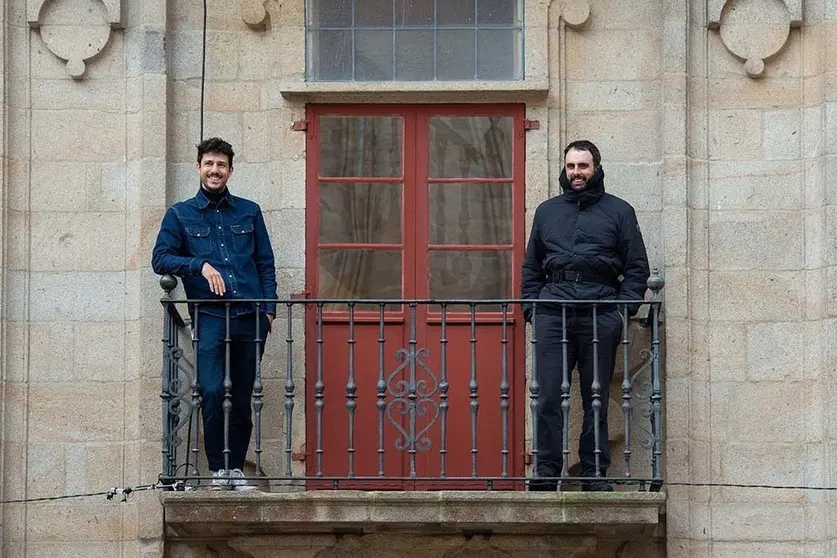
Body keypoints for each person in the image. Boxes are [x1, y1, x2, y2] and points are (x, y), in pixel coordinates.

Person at [521, 140, 650, 492]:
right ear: (564, 170)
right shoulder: (547, 212)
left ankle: (593, 474)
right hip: (552, 312)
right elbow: (531, 267)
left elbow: (637, 268)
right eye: (571, 166)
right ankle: (547, 473)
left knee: (595, 399)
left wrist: (621, 310)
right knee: (548, 396)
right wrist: (532, 309)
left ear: (596, 168)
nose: (576, 173)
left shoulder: (620, 211)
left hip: (600, 311)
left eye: (583, 166)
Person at [152, 137, 277, 491]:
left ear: (230, 171)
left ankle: (234, 468)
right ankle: (219, 469)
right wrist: (199, 265)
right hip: (209, 316)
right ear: (199, 168)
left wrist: (268, 312)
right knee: (210, 390)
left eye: (221, 165)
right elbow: (160, 258)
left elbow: (265, 264)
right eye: (209, 164)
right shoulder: (180, 214)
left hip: (249, 317)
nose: (214, 170)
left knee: (242, 396)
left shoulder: (249, 212)